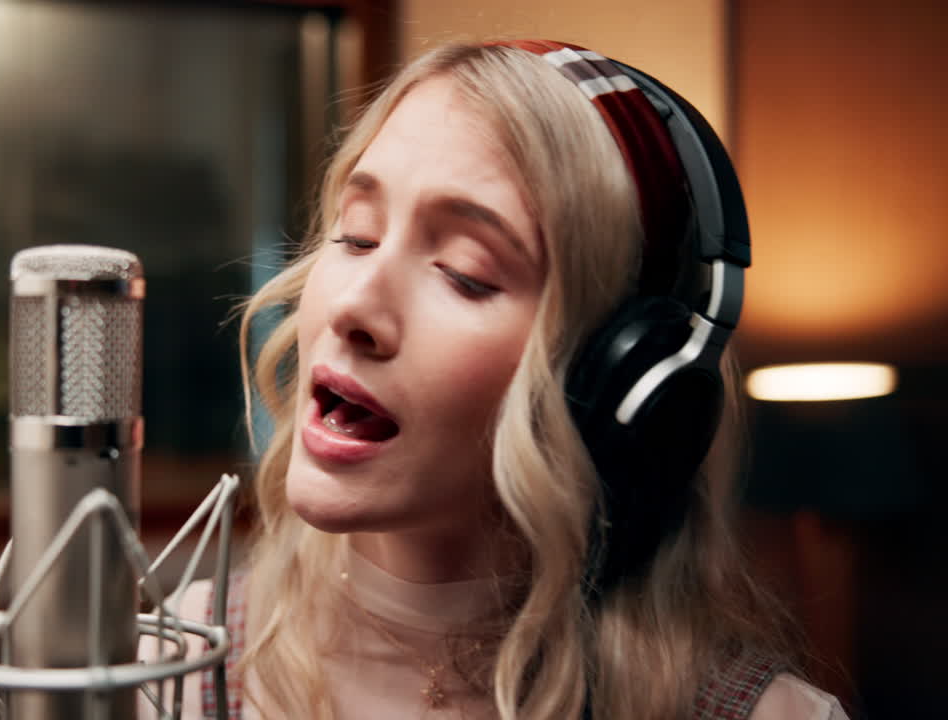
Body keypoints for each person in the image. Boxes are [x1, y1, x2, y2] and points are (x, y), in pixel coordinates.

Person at [143, 40, 849, 720]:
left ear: (620, 380)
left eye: (465, 273)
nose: (355, 306)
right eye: (356, 235)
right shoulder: (157, 672)